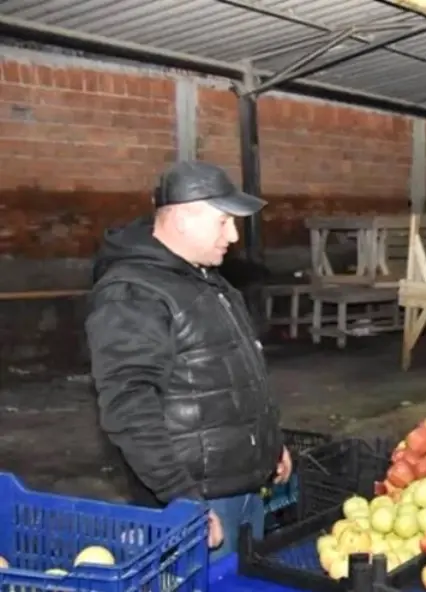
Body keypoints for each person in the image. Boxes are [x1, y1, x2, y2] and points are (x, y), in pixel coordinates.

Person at [86, 161, 291, 559]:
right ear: (182, 219)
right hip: (199, 500)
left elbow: (231, 374)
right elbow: (129, 406)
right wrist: (182, 500)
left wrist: (269, 445)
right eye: (223, 222)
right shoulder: (133, 294)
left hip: (242, 488)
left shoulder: (206, 279)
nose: (233, 235)